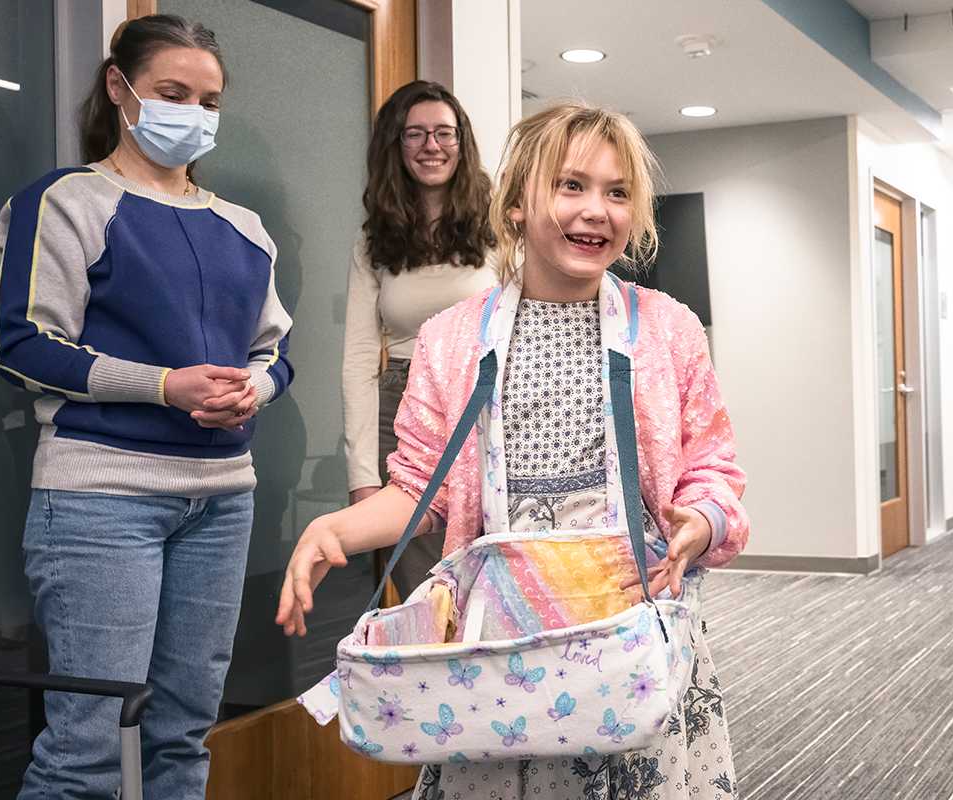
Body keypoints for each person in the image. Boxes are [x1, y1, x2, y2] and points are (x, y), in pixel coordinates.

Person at [278, 101, 748, 799]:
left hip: (628, 633)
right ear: (517, 203)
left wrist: (701, 521)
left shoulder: (668, 329)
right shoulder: (450, 340)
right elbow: (419, 487)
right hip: (502, 649)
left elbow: (714, 468)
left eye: (618, 193)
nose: (597, 211)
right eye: (571, 186)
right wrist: (335, 529)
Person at [0, 15, 293, 798]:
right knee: (87, 748)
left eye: (208, 100)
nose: (193, 113)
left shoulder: (246, 229)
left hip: (222, 500)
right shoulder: (65, 202)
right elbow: (22, 344)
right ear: (119, 88)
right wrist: (164, 385)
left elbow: (275, 351)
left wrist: (253, 388)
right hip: (100, 498)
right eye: (172, 93)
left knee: (184, 736)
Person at [342, 80, 497, 598]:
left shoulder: (501, 224)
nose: (432, 146)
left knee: (496, 562)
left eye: (444, 133)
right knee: (423, 582)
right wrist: (362, 472)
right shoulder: (373, 240)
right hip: (405, 409)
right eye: (415, 134)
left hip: (490, 401)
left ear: (462, 141)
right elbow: (360, 359)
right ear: (396, 145)